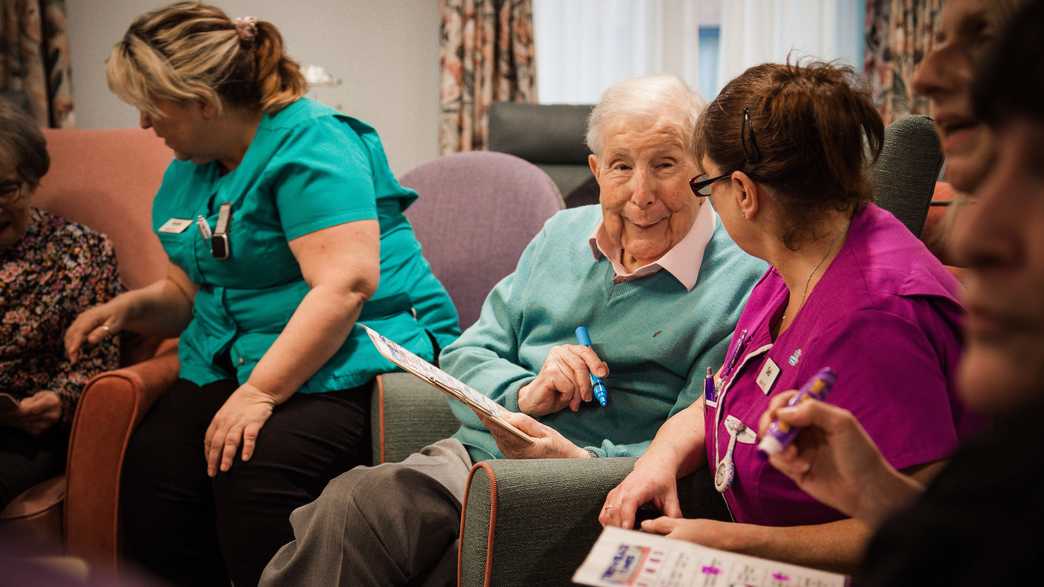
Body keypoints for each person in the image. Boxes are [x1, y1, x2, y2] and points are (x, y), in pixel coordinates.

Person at [259, 75, 766, 586]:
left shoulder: (742, 274)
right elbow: (466, 353)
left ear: (702, 170)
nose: (641, 194)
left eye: (664, 165)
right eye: (620, 166)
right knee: (354, 505)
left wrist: (577, 459)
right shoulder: (561, 235)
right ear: (596, 170)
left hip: (597, 482)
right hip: (478, 459)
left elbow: (708, 426)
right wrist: (525, 393)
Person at [64, 3, 459, 585]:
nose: (145, 124)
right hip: (245, 353)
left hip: (353, 354)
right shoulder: (195, 164)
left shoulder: (313, 145)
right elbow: (192, 288)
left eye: (153, 105)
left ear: (202, 100)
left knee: (253, 467)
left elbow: (345, 287)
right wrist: (133, 307)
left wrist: (260, 393)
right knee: (155, 467)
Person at [600, 61, 970, 572]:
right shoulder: (797, 259)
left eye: (706, 184)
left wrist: (735, 544)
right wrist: (656, 461)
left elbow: (926, 533)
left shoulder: (882, 318)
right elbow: (724, 399)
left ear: (745, 194)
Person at [759, 0, 1044, 583]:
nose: (971, 232)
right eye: (979, 190)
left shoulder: (878, 306)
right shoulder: (1019, 453)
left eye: (981, 33)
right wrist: (879, 495)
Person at [0, 100, 123, 510]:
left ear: (33, 181)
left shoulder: (82, 249)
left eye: (5, 189)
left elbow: (96, 361)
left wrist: (59, 398)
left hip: (28, 433)